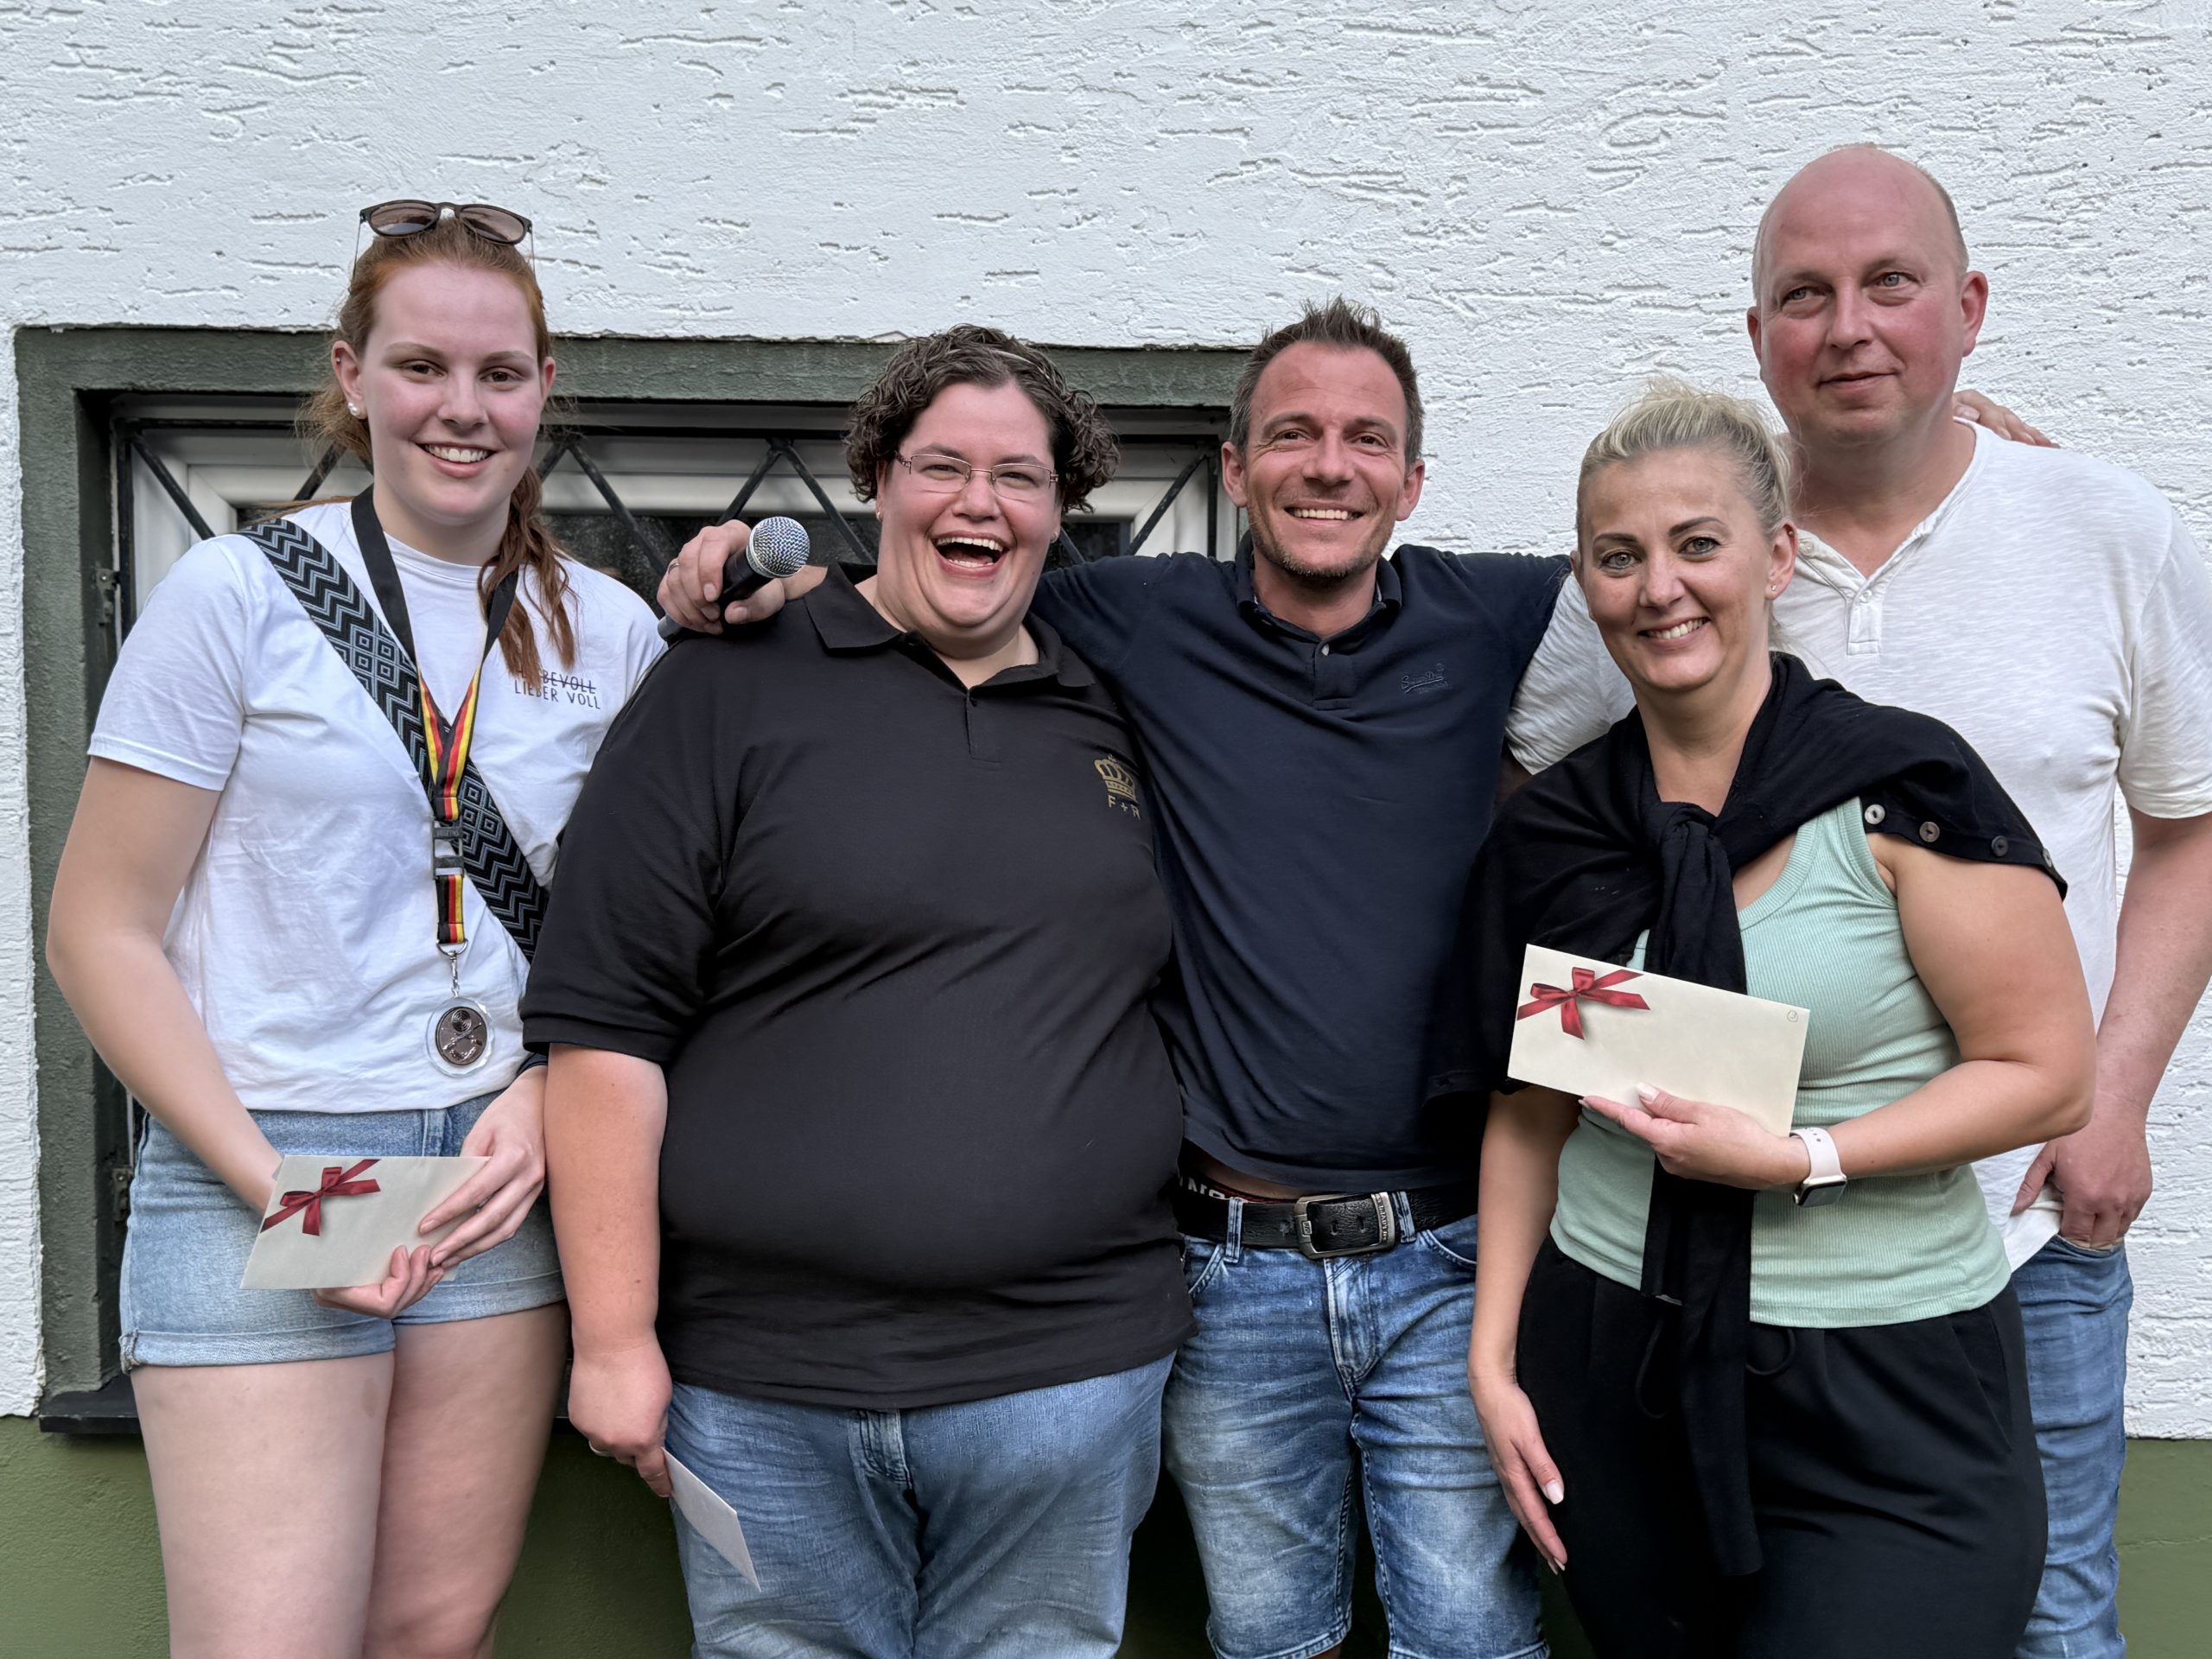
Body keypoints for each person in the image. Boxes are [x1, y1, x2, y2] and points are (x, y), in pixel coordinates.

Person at [657, 302, 2048, 1659]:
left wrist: (1934, 453)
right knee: (1271, 1630)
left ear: (1414, 482)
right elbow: (952, 575)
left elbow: (1706, 548)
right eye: (1293, 435)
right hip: (1230, 1262)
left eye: (1368, 439)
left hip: (1450, 1254)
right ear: (1232, 470)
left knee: (1467, 1627)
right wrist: (763, 569)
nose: (1330, 466)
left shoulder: (1499, 612)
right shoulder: (1131, 615)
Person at [1512, 146, 2212, 1658]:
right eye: (1805, 295)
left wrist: (2112, 1095)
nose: (1849, 328)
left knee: (2055, 1623)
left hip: (2018, 1222)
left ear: (1969, 306)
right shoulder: (1695, 548)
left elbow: (2191, 826)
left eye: (1891, 284)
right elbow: (1551, 821)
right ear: (1757, 333)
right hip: (1695, 1259)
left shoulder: (2100, 528)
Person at [43, 203, 664, 1656]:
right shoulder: (235, 596)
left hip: (493, 1172)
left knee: (433, 1632)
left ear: (544, 389)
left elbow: (632, 939)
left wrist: (542, 1086)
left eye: (498, 374)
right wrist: (283, 1190)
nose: (462, 408)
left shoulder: (610, 630)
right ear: (354, 374)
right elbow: (98, 933)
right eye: (422, 367)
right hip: (279, 1147)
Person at [524, 326, 1191, 1659]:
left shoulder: (1114, 710)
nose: (979, 503)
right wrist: (613, 1339)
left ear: (1061, 507)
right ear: (879, 477)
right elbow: (604, 1028)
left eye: (1019, 475)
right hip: (766, 1388)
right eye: (942, 466)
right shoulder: (723, 683)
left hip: (1069, 1372)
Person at [1454, 378, 2095, 1657]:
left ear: (1778, 557)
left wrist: (1804, 1156)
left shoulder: (1900, 791)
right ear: (1586, 584)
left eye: (1698, 544)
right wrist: (1494, 1358)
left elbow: (2048, 1072)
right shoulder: (1563, 834)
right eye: (1618, 556)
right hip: (1611, 1362)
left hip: (1887, 1382)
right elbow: (1530, 1110)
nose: (1660, 588)